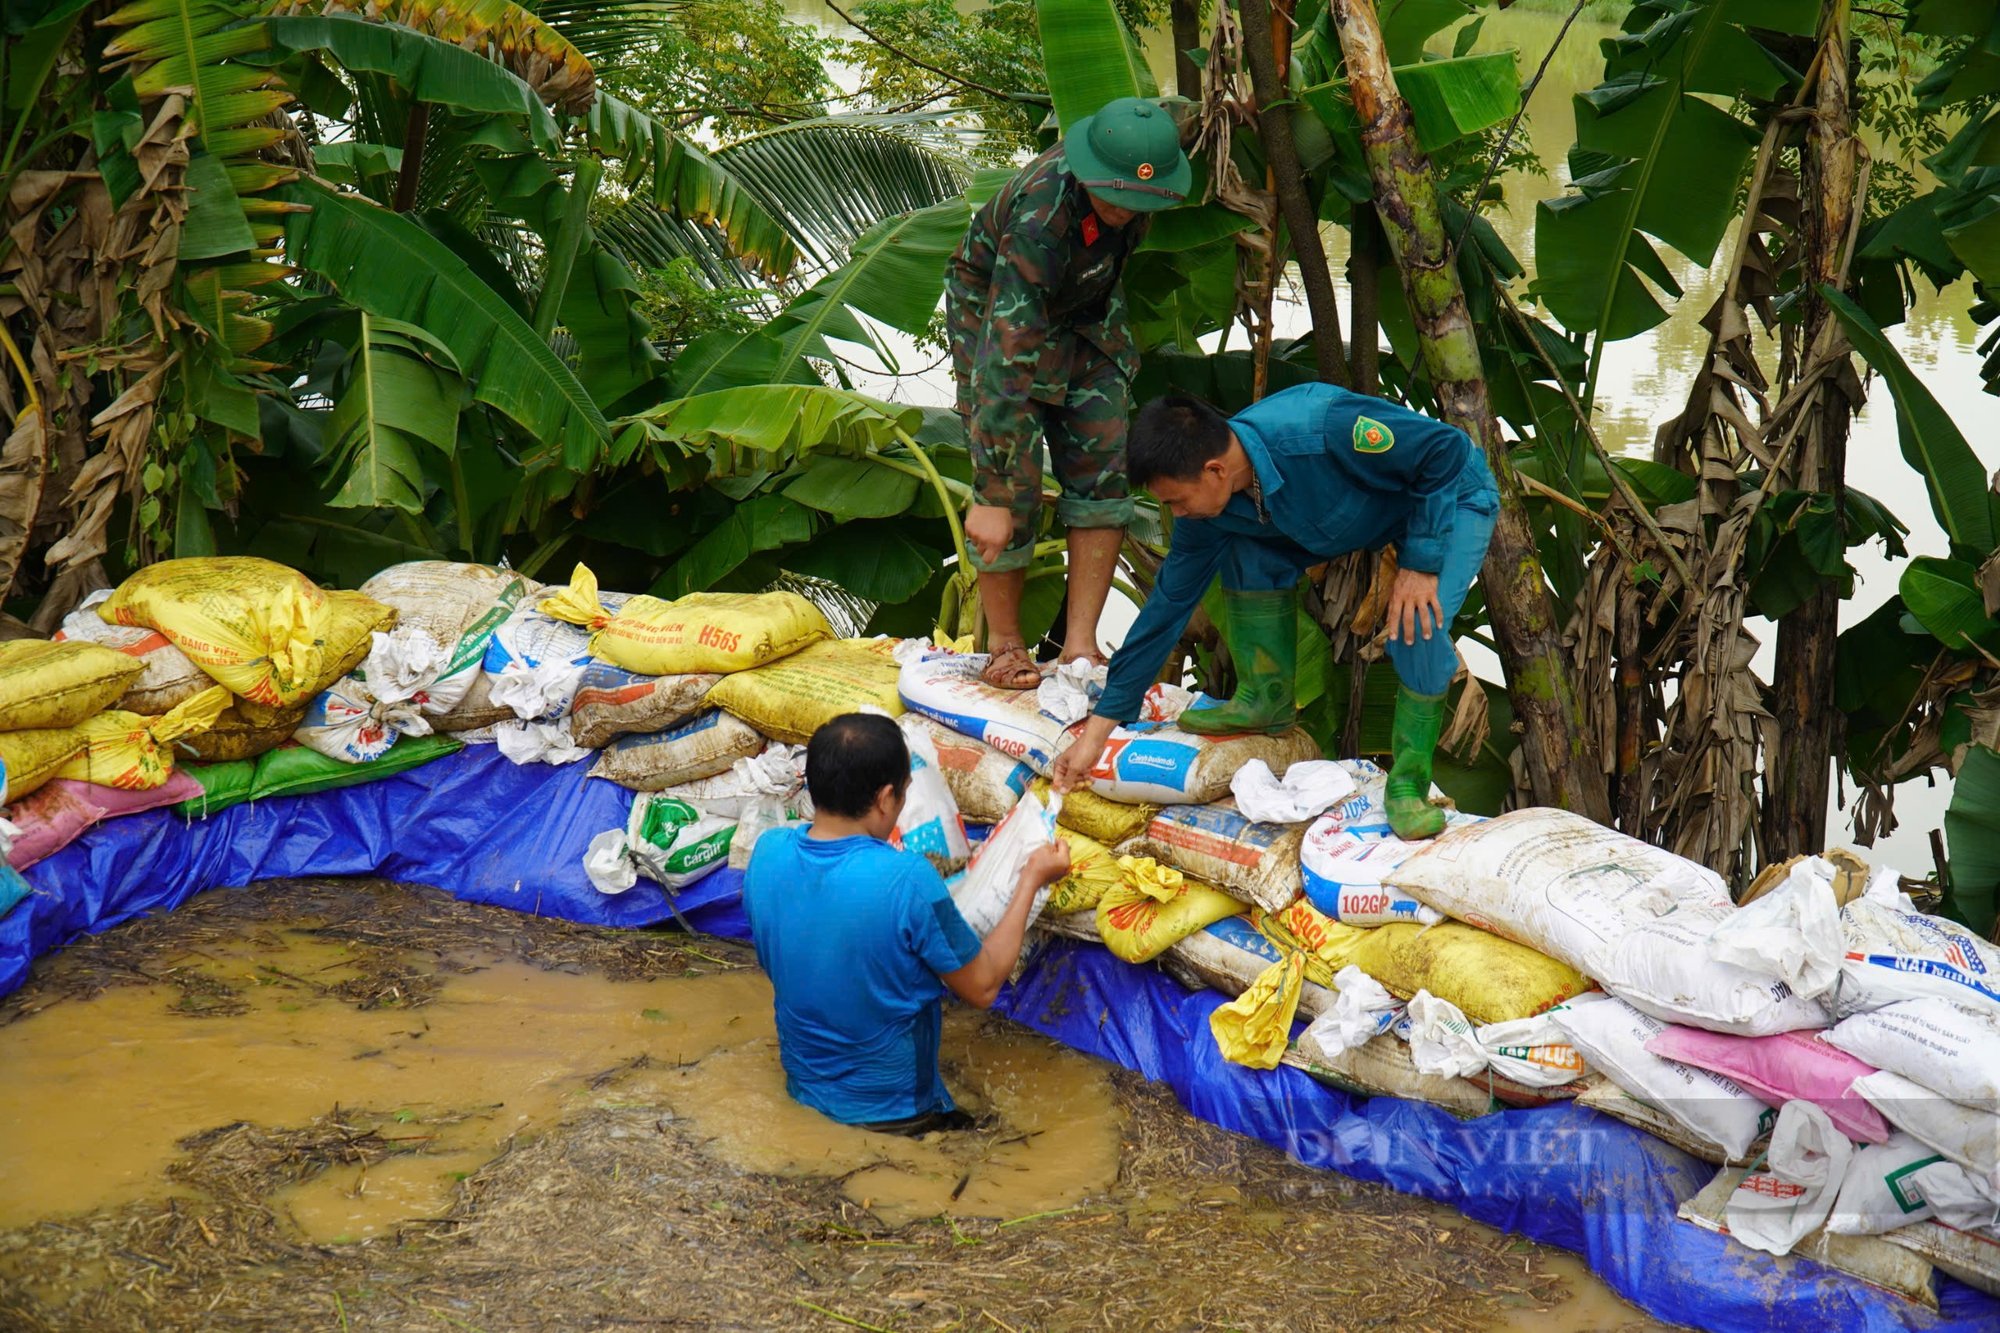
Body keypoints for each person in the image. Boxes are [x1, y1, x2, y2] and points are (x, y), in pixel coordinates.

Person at [1050, 387, 1501, 840]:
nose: (1176, 513)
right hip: (1368, 513)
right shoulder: (1210, 511)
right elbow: (1165, 608)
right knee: (1247, 551)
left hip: (1448, 498)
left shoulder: (1322, 428)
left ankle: (1407, 787)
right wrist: (1096, 735)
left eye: (1176, 501)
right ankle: (1266, 700)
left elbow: (1443, 450)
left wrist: (1421, 562)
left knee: (1414, 624)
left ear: (1215, 470)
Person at [945, 96, 1192, 690]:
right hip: (1000, 316)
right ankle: (1005, 647)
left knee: (1105, 469)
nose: (1124, 212)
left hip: (1087, 316)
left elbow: (1183, 113)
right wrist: (992, 487)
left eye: (1139, 203)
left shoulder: (1144, 168)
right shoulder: (1040, 221)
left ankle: (1080, 647)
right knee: (1013, 487)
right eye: (1115, 198)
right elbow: (1008, 352)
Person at [742, 713, 1071, 1134]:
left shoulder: (767, 852)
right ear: (884, 799)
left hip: (803, 1094)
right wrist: (1031, 879)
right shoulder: (907, 878)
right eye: (903, 797)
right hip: (897, 1116)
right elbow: (983, 987)